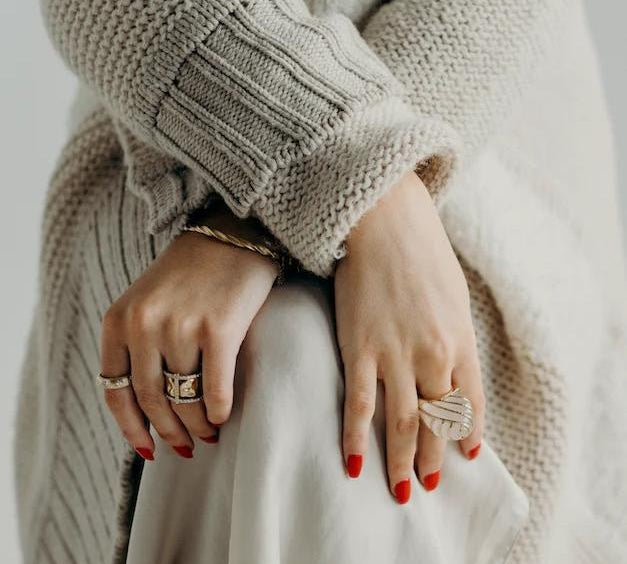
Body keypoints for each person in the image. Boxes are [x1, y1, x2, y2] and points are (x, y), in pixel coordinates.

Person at [15, 0, 627, 563]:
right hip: (178, 125)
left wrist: (339, 188)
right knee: (272, 361)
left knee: (303, 369)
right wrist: (368, 185)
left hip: (475, 127)